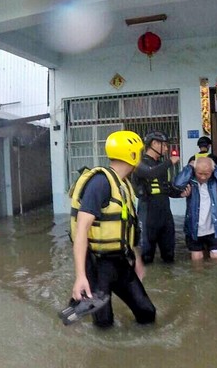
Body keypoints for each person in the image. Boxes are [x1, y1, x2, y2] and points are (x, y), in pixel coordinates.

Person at [68, 130, 156, 327]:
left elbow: (127, 229)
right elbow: (82, 229)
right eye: (139, 152)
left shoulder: (123, 184)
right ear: (132, 155)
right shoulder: (100, 183)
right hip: (97, 265)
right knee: (104, 324)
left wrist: (137, 260)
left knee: (147, 313)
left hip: (120, 262)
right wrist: (80, 276)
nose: (141, 157)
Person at [132, 130, 186, 264]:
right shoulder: (139, 164)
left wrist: (181, 194)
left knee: (169, 256)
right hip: (148, 214)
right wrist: (169, 162)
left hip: (165, 215)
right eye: (164, 145)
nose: (167, 149)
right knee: (146, 258)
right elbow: (150, 174)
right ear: (155, 144)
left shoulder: (160, 165)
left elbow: (165, 188)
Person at [173, 157, 217, 261]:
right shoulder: (191, 181)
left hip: (213, 229)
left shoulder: (214, 182)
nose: (203, 177)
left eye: (207, 173)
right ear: (195, 170)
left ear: (212, 171)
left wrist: (216, 169)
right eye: (200, 173)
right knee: (197, 261)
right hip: (194, 229)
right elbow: (177, 184)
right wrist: (189, 167)